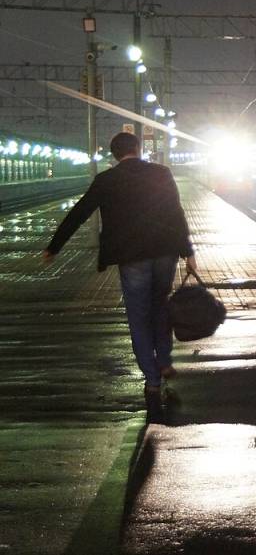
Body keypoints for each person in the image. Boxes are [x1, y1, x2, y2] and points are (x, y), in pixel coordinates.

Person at [42, 132, 197, 421]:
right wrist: (188, 251)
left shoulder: (107, 180)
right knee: (160, 305)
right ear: (138, 149)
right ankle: (164, 360)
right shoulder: (161, 173)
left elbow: (79, 212)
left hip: (131, 258)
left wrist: (54, 246)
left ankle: (152, 380)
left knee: (138, 317)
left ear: (114, 155)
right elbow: (176, 213)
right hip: (165, 253)